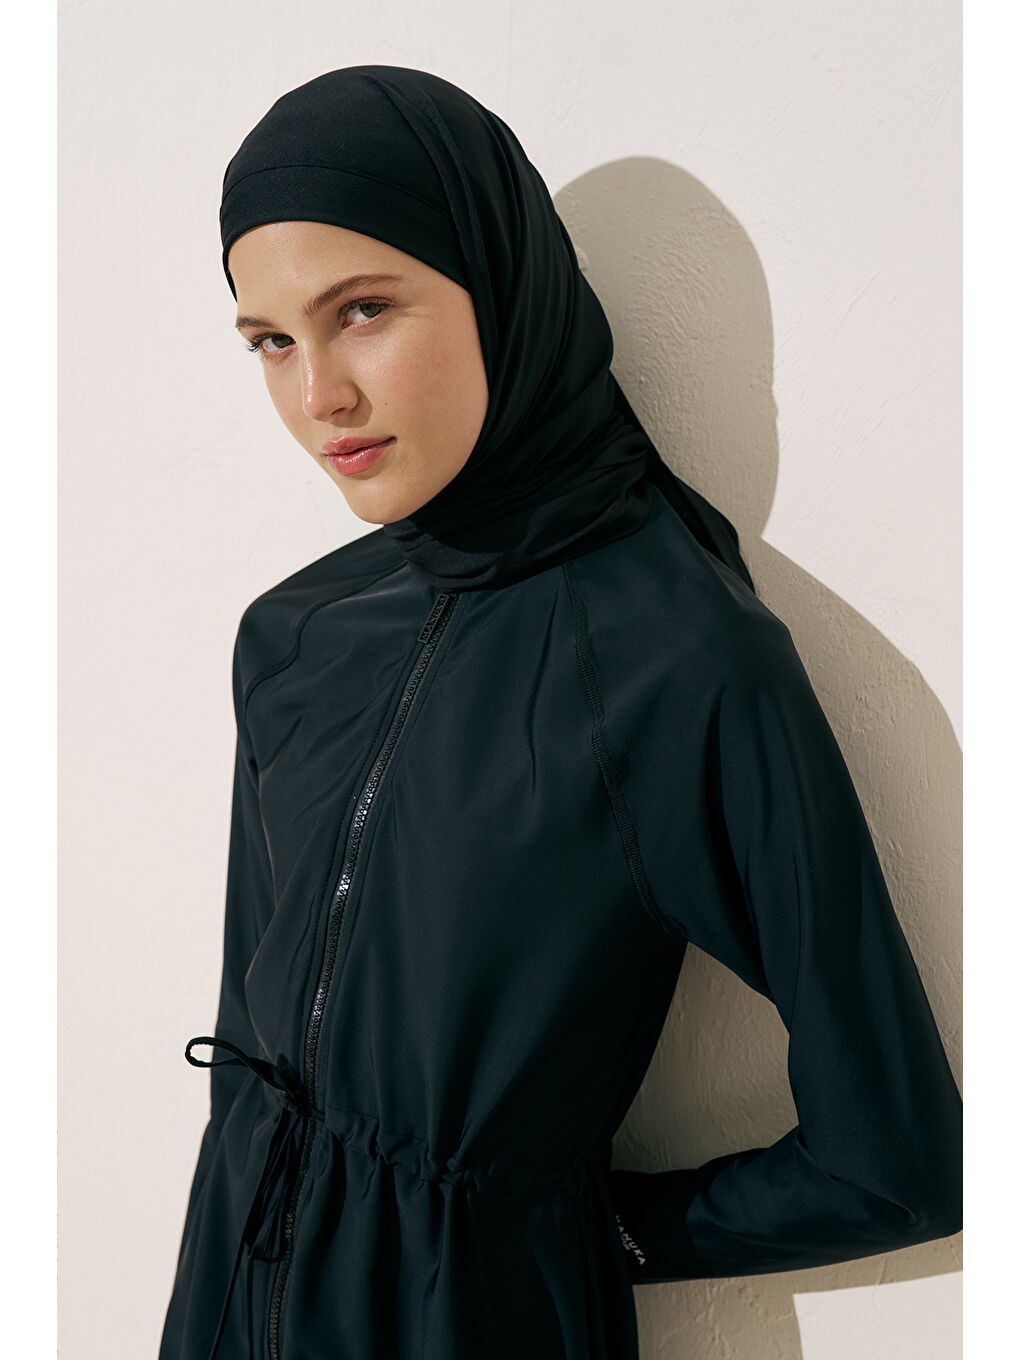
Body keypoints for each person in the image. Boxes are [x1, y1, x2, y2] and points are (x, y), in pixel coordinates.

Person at [157, 65, 963, 1360]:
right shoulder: (294, 637)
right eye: (271, 341)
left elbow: (897, 1157)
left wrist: (574, 1233)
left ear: (500, 284)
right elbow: (255, 1063)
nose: (319, 398)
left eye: (362, 310)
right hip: (229, 1299)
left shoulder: (677, 663)